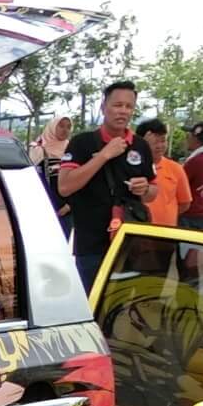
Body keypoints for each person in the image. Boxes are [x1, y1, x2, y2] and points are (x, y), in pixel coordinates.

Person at [57, 81, 155, 290]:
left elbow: (153, 192)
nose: (123, 111)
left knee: (125, 301)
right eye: (117, 105)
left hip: (130, 241)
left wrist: (145, 188)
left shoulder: (140, 146)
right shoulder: (82, 143)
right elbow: (64, 187)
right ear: (103, 107)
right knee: (92, 301)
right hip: (91, 243)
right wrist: (103, 155)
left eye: (129, 106)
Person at [136, 118, 192, 228]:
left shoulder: (176, 169)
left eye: (163, 141)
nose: (159, 146)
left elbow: (185, 203)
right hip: (138, 229)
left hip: (166, 232)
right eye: (154, 142)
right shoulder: (132, 167)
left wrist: (167, 214)